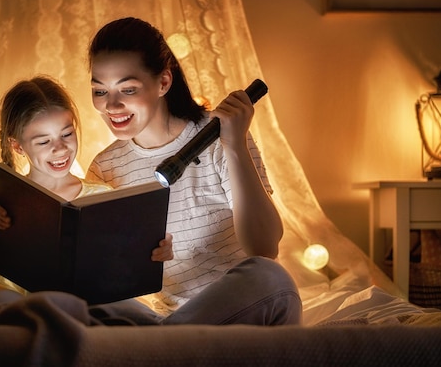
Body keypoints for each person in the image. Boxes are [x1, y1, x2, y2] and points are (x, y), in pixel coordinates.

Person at [84, 17, 302, 325]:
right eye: (100, 91)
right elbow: (110, 272)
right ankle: (173, 340)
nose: (112, 105)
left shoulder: (218, 135)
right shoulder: (104, 168)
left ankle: (169, 342)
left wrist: (235, 144)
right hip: (167, 318)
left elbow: (265, 247)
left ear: (163, 82)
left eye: (128, 89)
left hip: (242, 312)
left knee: (271, 277)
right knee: (86, 300)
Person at [0, 75, 174, 299]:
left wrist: (153, 256)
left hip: (81, 310)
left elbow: (123, 273)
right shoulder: (1, 199)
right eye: (43, 141)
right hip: (12, 310)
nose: (59, 149)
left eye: (67, 134)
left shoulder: (102, 198)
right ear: (17, 146)